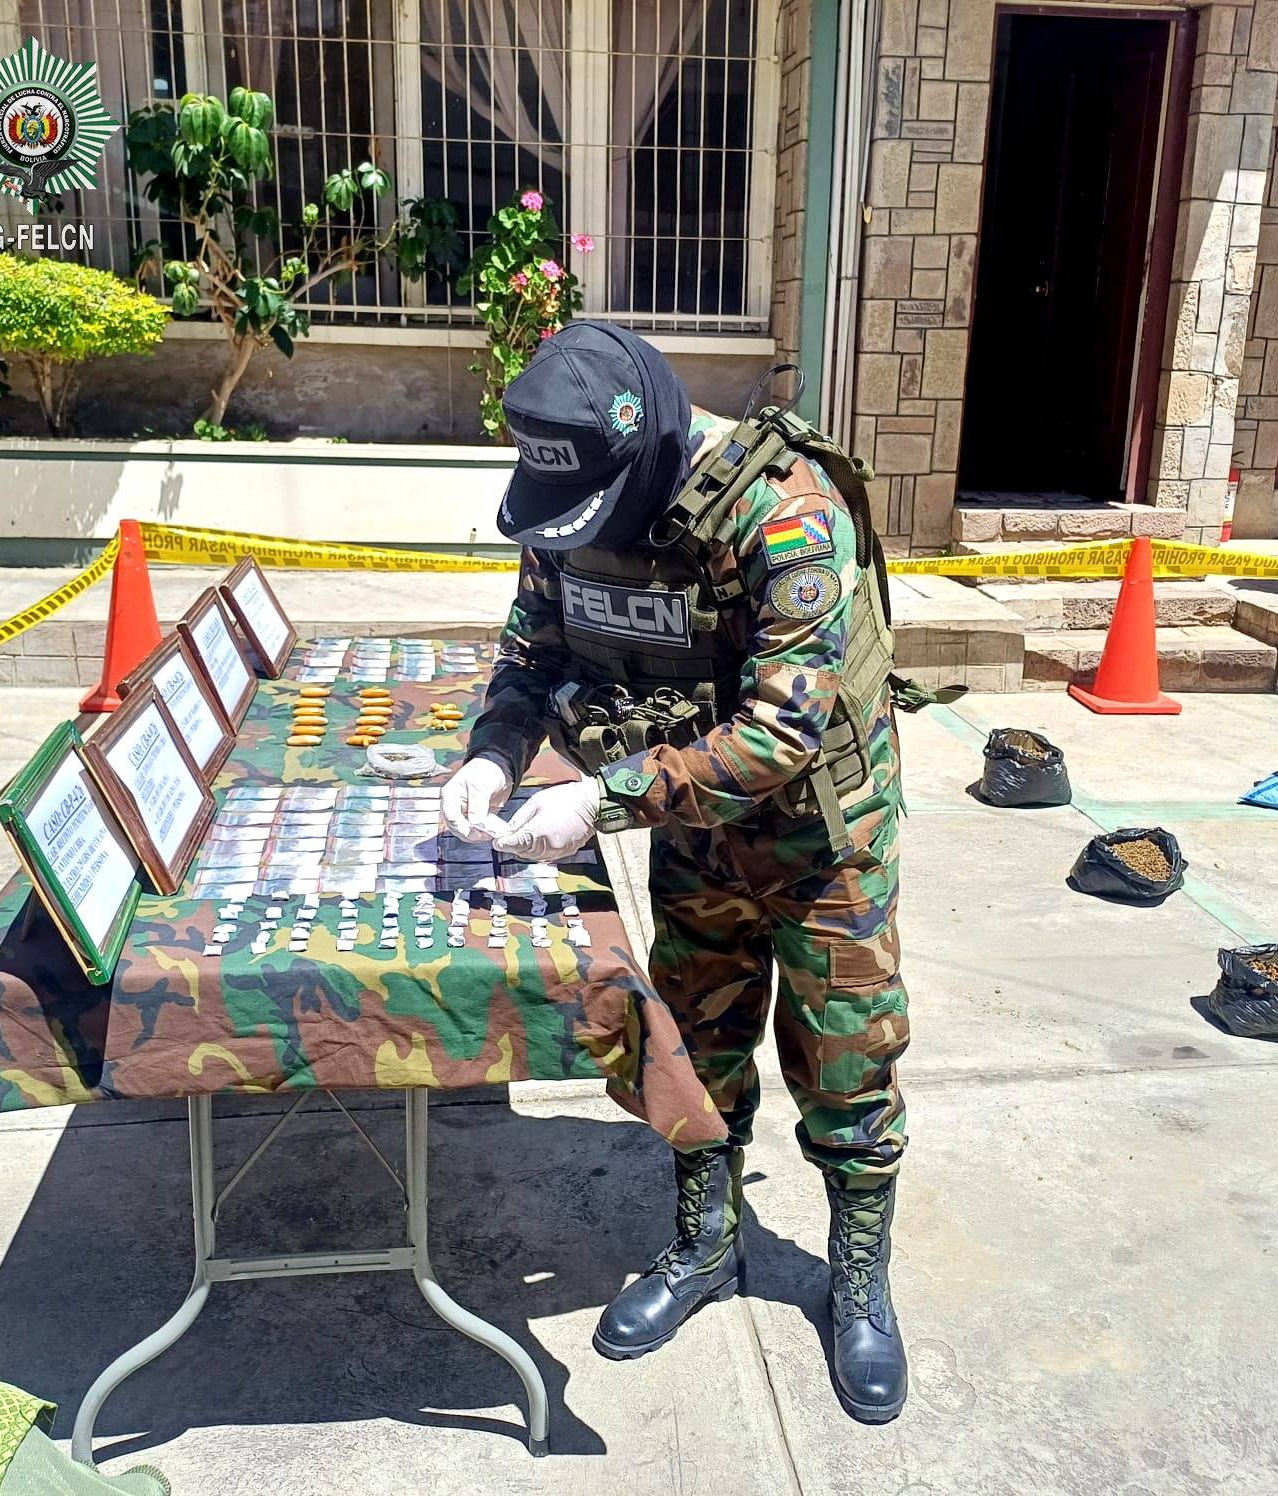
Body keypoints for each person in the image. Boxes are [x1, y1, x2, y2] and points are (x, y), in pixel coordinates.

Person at [441, 321, 911, 1423]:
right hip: (691, 823)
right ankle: (705, 1240)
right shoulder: (570, 501)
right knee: (694, 1038)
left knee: (847, 1063)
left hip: (820, 836)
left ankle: (855, 1281)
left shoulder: (782, 510)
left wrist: (594, 801)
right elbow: (532, 651)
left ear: (648, 449)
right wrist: (492, 753)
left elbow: (780, 735)